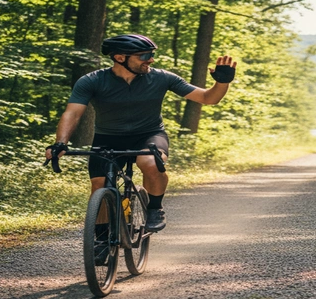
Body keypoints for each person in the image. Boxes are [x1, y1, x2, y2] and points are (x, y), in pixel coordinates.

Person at [45, 34, 236, 236]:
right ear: (120, 58)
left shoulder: (162, 77)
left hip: (149, 135)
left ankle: (154, 208)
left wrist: (222, 83)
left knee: (150, 163)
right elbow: (73, 113)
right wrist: (60, 143)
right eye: (144, 55)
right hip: (108, 137)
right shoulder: (91, 81)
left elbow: (207, 98)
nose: (151, 59)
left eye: (152, 54)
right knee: (99, 184)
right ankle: (100, 237)